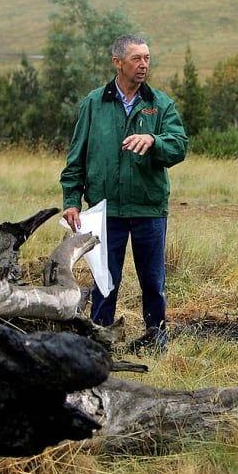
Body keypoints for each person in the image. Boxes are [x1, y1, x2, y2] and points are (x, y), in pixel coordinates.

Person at [60, 34, 188, 353]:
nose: (143, 64)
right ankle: (98, 343)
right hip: (106, 211)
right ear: (118, 63)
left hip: (148, 210)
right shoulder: (93, 103)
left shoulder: (159, 103)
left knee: (153, 283)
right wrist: (72, 201)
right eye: (136, 59)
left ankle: (155, 341)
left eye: (146, 57)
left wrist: (154, 141)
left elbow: (180, 145)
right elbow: (76, 156)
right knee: (105, 281)